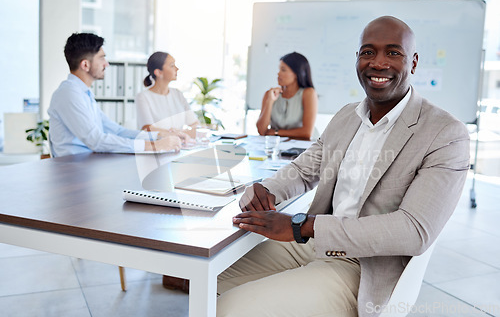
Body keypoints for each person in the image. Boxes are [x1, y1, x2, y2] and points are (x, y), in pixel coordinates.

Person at [216, 16, 470, 317]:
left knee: (229, 308)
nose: (377, 63)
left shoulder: (445, 133)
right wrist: (267, 189)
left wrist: (302, 225)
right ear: (358, 60)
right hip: (313, 243)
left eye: (393, 52)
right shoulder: (347, 116)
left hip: (366, 266)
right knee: (209, 278)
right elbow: (303, 170)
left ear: (413, 63)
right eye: (367, 52)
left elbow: (413, 230)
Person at [48, 33, 183, 157]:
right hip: (72, 170)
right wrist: (154, 146)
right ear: (85, 64)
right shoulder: (69, 94)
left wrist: (159, 136)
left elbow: (117, 131)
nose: (106, 64)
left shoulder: (84, 94)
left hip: (88, 163)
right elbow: (96, 141)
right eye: (102, 58)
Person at [135, 51, 199, 139]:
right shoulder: (143, 97)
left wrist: (180, 133)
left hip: (180, 146)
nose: (177, 69)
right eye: (172, 65)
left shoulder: (178, 94)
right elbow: (148, 129)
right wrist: (181, 134)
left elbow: (195, 124)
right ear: (158, 72)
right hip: (157, 147)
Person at [256, 52, 318, 140]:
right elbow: (262, 131)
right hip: (278, 147)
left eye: (283, 70)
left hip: (303, 148)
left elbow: (307, 132)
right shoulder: (270, 94)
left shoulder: (308, 93)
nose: (278, 74)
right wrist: (270, 101)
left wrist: (275, 132)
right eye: (279, 69)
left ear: (296, 73)